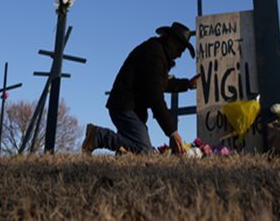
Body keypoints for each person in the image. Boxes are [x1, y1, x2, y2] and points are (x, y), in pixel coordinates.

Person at [82, 22, 198, 155]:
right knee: (144, 151)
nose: (180, 55)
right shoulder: (154, 55)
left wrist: (187, 84)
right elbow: (156, 97)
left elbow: (162, 83)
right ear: (171, 40)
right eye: (180, 49)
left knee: (133, 146)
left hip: (132, 109)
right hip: (124, 107)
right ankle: (97, 136)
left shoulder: (158, 54)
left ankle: (121, 155)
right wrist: (172, 132)